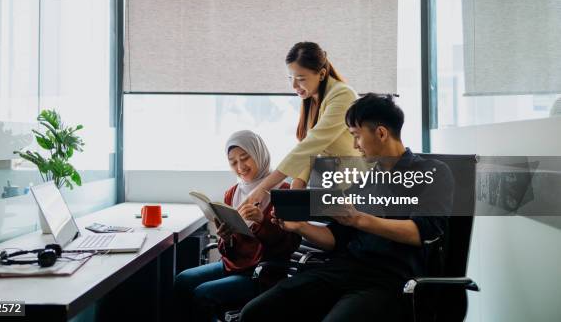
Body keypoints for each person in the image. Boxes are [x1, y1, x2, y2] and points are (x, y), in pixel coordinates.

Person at [240, 94, 454, 322]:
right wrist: (301, 227)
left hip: (391, 280)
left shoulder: (433, 173)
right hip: (344, 269)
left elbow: (421, 232)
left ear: (381, 133)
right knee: (255, 313)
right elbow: (336, 237)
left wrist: (359, 219)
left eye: (356, 136)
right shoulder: (366, 180)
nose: (354, 145)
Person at [173, 130, 301, 322]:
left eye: (245, 158)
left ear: (259, 154)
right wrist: (225, 238)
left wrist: (262, 221)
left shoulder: (285, 191)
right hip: (233, 266)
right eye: (233, 162)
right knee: (182, 280)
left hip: (262, 273)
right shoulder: (232, 193)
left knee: (202, 293)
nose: (240, 166)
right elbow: (228, 252)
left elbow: (290, 245)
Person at [242, 42, 362, 207]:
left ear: (321, 74)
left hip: (353, 188)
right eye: (290, 78)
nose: (293, 85)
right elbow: (309, 150)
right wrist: (297, 185)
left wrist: (263, 187)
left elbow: (311, 145)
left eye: (300, 79)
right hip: (327, 187)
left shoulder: (343, 95)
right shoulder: (312, 98)